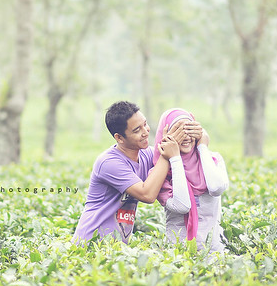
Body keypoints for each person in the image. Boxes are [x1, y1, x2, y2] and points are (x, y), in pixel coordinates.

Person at [72, 101, 180, 245]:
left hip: (117, 249)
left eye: (145, 124)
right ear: (119, 138)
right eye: (137, 130)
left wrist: (197, 138)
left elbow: (173, 163)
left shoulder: (146, 154)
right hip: (90, 245)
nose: (145, 131)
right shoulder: (109, 163)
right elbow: (147, 194)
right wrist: (166, 156)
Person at [149, 108, 229, 252]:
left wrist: (203, 147)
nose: (185, 136)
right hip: (178, 254)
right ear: (165, 136)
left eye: (189, 129)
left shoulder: (213, 160)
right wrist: (174, 158)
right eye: (178, 131)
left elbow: (216, 188)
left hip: (213, 251)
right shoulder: (160, 174)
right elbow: (182, 205)